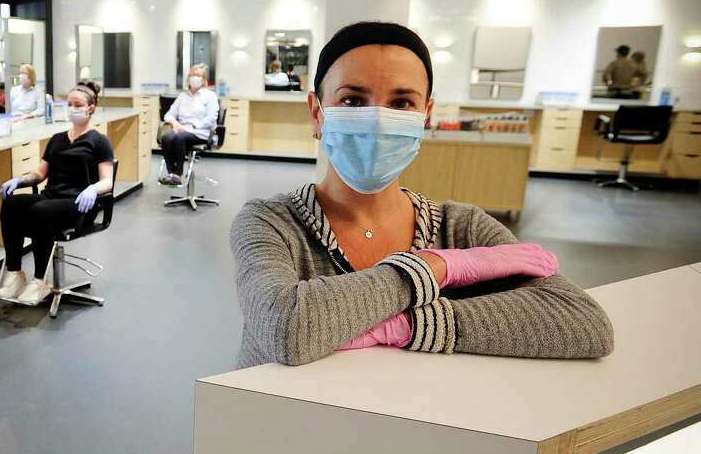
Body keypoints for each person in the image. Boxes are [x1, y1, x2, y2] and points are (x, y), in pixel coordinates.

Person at [230, 21, 613, 367]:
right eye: (352, 100)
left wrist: (406, 326)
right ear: (317, 112)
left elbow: (582, 321)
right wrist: (438, 267)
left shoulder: (463, 228)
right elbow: (284, 329)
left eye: (401, 103)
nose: (378, 118)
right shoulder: (270, 222)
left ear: (424, 116)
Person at [0, 79, 114, 305]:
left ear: (90, 108)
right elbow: (40, 174)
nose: (72, 108)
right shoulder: (57, 139)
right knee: (11, 204)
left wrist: (92, 189)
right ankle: (15, 274)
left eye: (77, 104)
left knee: (41, 210)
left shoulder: (99, 141)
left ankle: (40, 280)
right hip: (51, 197)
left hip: (79, 202)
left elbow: (107, 181)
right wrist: (20, 180)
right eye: (69, 103)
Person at [161, 64, 219, 186]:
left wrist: (194, 126)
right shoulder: (183, 96)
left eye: (199, 76)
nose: (195, 78)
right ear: (188, 77)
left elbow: (211, 118)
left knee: (178, 137)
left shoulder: (210, 96)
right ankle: (171, 173)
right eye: (193, 75)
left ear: (204, 79)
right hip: (182, 129)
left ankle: (178, 174)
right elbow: (168, 115)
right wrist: (174, 123)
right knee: (166, 138)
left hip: (201, 132)